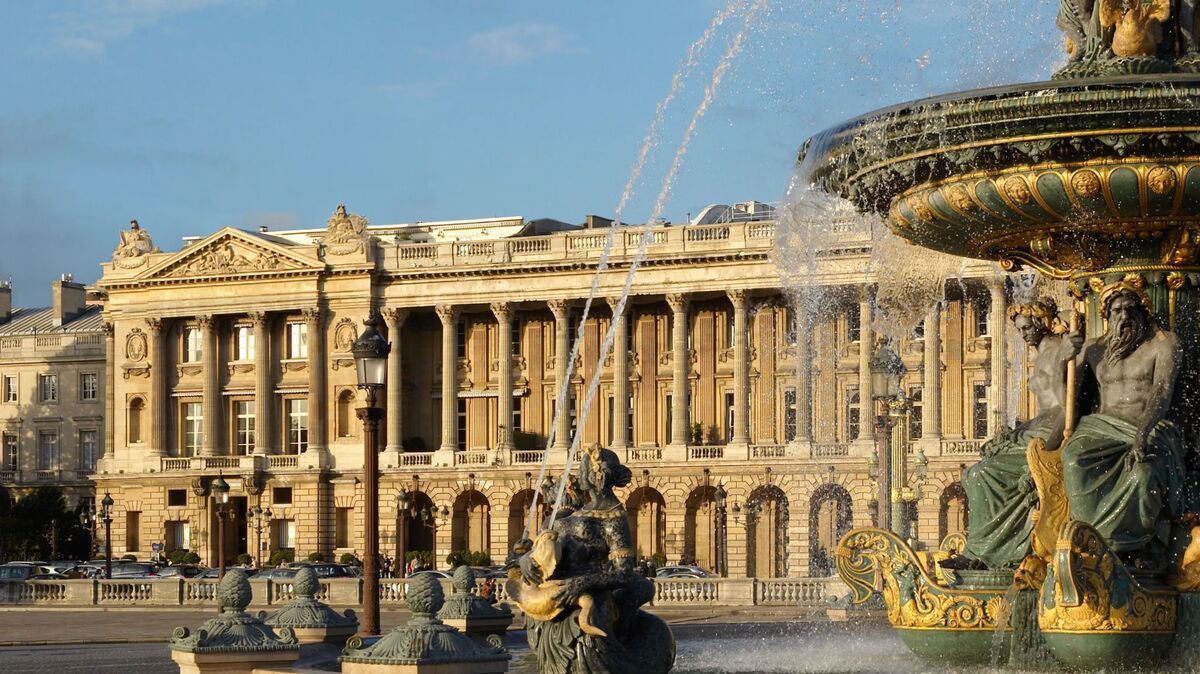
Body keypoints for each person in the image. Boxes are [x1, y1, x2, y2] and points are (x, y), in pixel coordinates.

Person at [941, 299, 1074, 571]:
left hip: (1049, 437)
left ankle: (983, 553)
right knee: (974, 472)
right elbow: (1048, 409)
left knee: (981, 475)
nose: (1023, 335)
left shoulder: (1061, 351)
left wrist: (1044, 455)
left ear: (1042, 323)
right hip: (1035, 431)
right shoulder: (1042, 355)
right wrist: (1017, 431)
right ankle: (985, 550)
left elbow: (1067, 409)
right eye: (1020, 329)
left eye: (1027, 328)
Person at [1060, 284, 1184, 565]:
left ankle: (1135, 546)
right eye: (1117, 310)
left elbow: (1162, 390)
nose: (1124, 315)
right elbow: (1067, 397)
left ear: (1143, 312)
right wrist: (1064, 357)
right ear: (1107, 315)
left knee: (1143, 474)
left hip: (1147, 426)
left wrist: (1143, 433)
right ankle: (1089, 540)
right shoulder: (1093, 349)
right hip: (1103, 427)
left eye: (1131, 308)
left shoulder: (1165, 343)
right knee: (1073, 459)